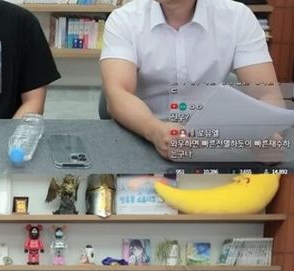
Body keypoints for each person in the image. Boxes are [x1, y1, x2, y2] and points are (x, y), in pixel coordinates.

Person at [100, 0, 278, 158]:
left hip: (213, 142)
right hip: (142, 136)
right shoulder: (124, 19)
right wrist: (154, 130)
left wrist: (268, 130)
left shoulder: (237, 17)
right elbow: (118, 94)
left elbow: (266, 93)